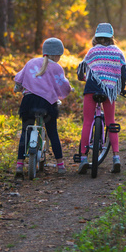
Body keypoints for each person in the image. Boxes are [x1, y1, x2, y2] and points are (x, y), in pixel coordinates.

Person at [14, 37, 72, 178]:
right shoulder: (57, 67)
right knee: (52, 132)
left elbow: (19, 79)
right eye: (60, 55)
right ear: (57, 54)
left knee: (25, 132)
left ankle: (19, 165)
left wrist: (18, 88)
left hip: (28, 102)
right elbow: (63, 86)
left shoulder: (31, 62)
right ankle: (60, 165)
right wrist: (69, 89)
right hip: (46, 104)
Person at [77, 23, 126, 174]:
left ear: (96, 37)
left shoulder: (92, 51)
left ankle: (83, 159)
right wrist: (122, 88)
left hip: (92, 89)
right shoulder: (118, 52)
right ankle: (116, 157)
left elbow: (82, 68)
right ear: (111, 37)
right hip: (109, 90)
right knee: (111, 122)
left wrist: (82, 78)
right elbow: (123, 73)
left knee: (87, 121)